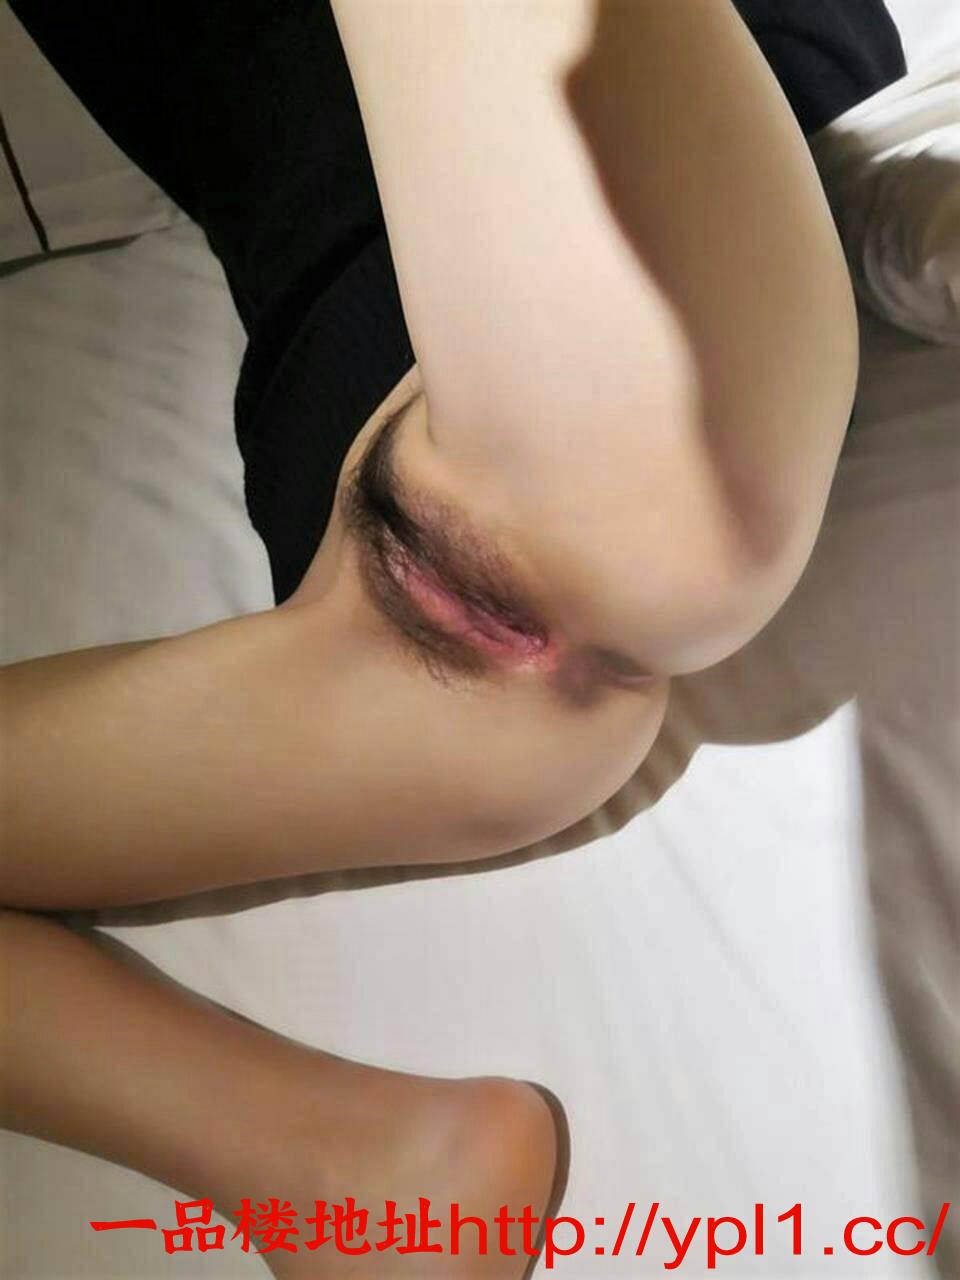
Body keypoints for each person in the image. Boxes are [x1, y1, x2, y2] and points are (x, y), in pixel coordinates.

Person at [1, 2, 906, 1275]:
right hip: (389, 500)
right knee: (623, 519)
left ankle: (339, 1162)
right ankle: (336, 1161)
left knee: (629, 512)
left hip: (643, 254)